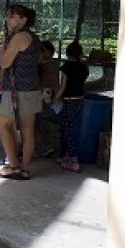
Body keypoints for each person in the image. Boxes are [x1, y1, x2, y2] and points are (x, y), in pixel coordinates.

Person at [0, 4, 42, 181]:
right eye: (8, 16)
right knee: (28, 130)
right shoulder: (33, 37)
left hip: (16, 91)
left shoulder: (18, 38)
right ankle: (24, 168)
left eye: (13, 16)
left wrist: (3, 44)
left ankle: (13, 165)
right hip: (32, 88)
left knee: (1, 125)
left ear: (24, 19)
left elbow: (5, 63)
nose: (8, 19)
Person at [53, 41, 89, 173]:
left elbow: (62, 87)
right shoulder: (84, 68)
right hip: (80, 100)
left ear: (67, 53)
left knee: (68, 130)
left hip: (68, 101)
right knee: (69, 127)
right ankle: (66, 157)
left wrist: (54, 99)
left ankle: (73, 160)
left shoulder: (66, 67)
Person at [36, 40, 59, 157]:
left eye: (43, 51)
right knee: (38, 121)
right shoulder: (51, 64)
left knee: (40, 121)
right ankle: (44, 145)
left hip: (45, 95)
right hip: (46, 95)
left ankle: (46, 145)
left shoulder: (47, 64)